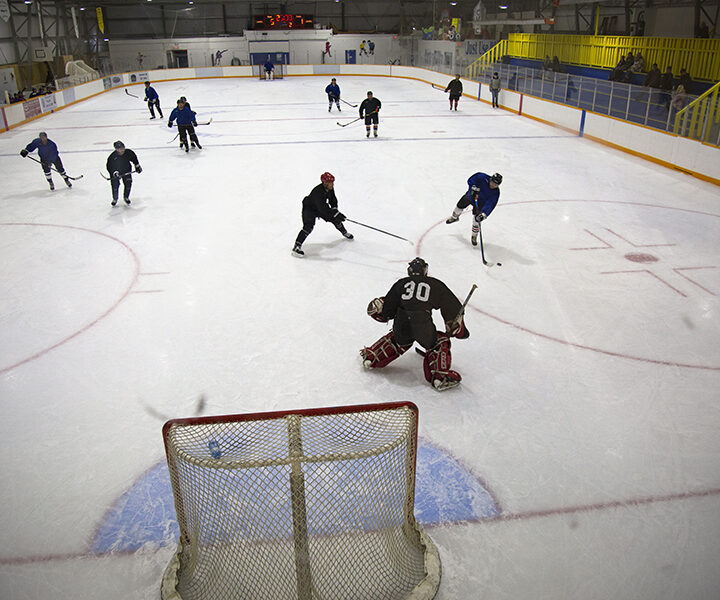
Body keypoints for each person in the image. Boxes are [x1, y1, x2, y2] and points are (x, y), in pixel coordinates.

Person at [360, 257, 470, 391]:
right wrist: (456, 326)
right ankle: (439, 378)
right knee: (439, 341)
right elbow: (452, 306)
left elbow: (387, 311)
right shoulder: (435, 284)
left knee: (397, 339)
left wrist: (381, 310)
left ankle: (372, 358)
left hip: (401, 323)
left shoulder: (400, 284)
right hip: (422, 325)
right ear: (425, 270)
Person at [292, 172, 353, 257]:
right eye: (330, 183)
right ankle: (296, 247)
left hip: (320, 207)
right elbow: (323, 209)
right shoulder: (318, 192)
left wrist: (335, 210)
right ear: (324, 183)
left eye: (332, 182)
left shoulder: (330, 189)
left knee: (335, 219)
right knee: (308, 227)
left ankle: (344, 232)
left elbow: (333, 200)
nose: (332, 184)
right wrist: (336, 214)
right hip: (309, 209)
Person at [445, 172, 502, 246]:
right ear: (490, 179)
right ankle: (454, 217)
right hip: (471, 196)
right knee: (459, 206)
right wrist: (473, 186)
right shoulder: (482, 177)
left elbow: (491, 204)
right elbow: (471, 179)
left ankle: (474, 236)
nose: (493, 185)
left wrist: (484, 214)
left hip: (480, 203)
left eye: (495, 184)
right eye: (492, 182)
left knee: (477, 220)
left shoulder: (496, 192)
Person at [106, 141, 142, 206]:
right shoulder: (112, 157)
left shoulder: (128, 152)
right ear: (116, 149)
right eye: (120, 149)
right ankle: (115, 198)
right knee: (115, 185)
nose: (122, 150)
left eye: (123, 148)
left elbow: (134, 159)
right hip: (116, 172)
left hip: (126, 170)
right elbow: (109, 167)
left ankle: (126, 197)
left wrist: (137, 166)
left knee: (128, 183)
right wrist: (114, 173)